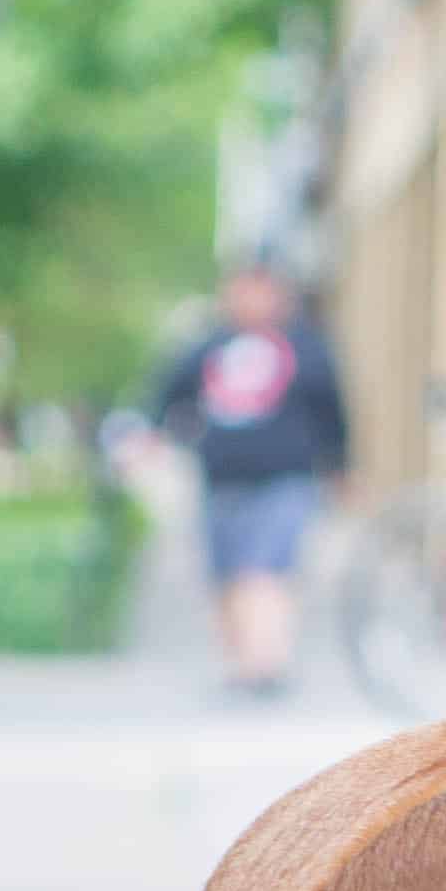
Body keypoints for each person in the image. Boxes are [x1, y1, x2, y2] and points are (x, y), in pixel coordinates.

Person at [148, 258, 351, 698]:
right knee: (226, 576)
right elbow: (167, 396)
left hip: (286, 478)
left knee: (266, 569)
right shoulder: (208, 347)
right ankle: (240, 661)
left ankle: (266, 665)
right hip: (221, 478)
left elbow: (333, 411)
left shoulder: (305, 348)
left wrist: (339, 466)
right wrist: (158, 434)